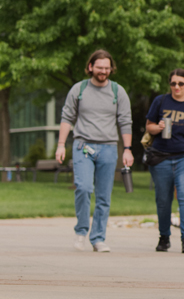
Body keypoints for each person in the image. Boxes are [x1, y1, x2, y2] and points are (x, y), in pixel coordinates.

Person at [56, 49, 133, 253]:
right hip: (83, 146)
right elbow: (67, 118)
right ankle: (81, 232)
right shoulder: (79, 89)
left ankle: (98, 238)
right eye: (100, 67)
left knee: (104, 196)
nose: (103, 71)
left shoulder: (118, 91)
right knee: (83, 187)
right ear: (90, 67)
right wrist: (61, 144)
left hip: (109, 147)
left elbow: (125, 121)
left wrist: (127, 149)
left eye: (107, 68)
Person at [145, 69, 184, 254]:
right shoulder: (161, 101)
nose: (177, 87)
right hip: (161, 158)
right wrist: (158, 127)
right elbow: (149, 126)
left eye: (181, 83)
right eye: (173, 83)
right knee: (163, 200)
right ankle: (164, 237)